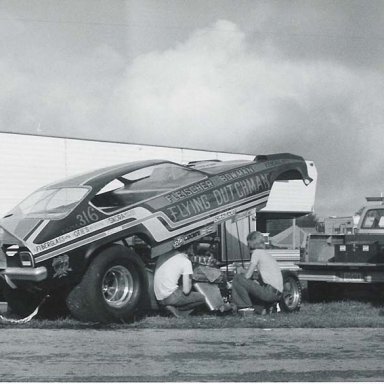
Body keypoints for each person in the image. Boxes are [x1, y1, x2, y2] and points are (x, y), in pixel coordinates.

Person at [231, 231, 283, 314]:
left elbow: (247, 276)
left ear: (253, 242)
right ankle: (262, 309)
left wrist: (240, 270)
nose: (247, 245)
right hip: (277, 293)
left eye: (248, 242)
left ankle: (244, 307)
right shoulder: (266, 254)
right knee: (248, 282)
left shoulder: (256, 253)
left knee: (237, 278)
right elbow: (259, 275)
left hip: (269, 292)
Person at [154, 246, 206, 317]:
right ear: (189, 249)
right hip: (170, 297)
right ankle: (178, 310)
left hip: (159, 297)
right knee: (202, 298)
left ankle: (169, 307)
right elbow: (186, 290)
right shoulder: (185, 261)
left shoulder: (163, 255)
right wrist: (191, 279)